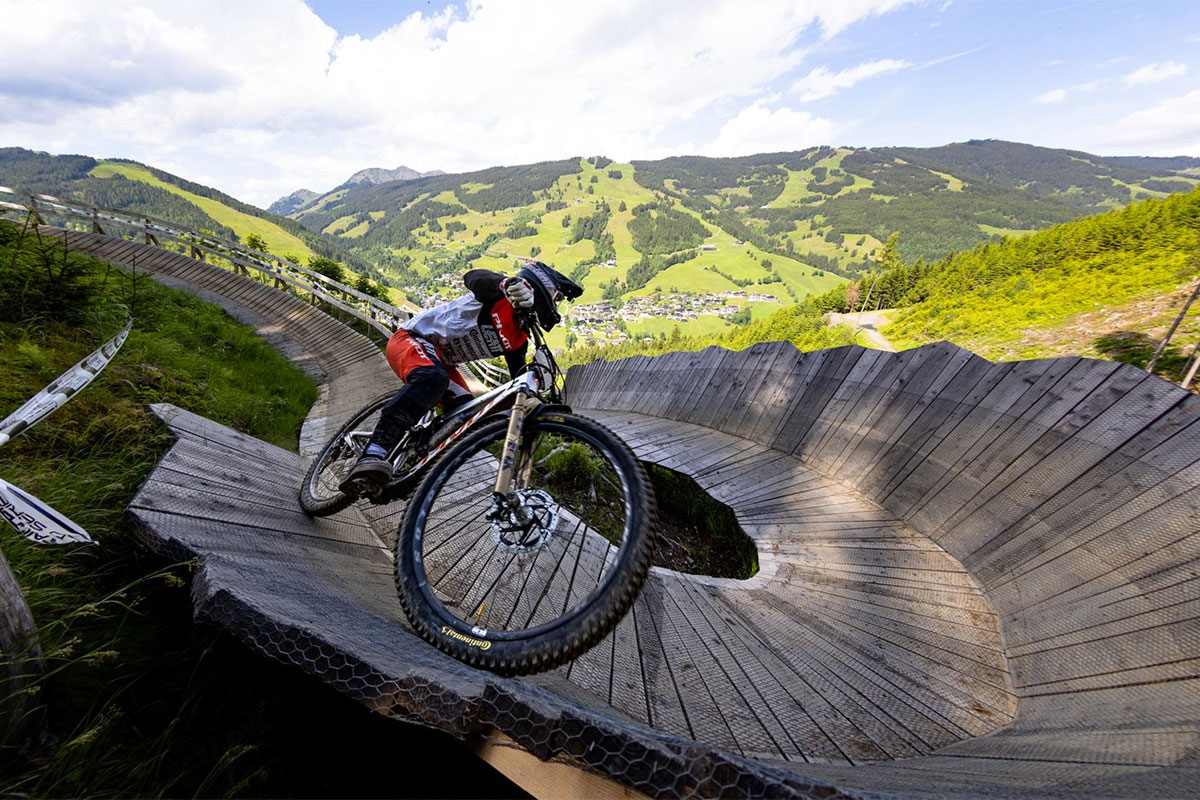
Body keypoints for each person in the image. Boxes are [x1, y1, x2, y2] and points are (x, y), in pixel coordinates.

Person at [340, 260, 582, 495]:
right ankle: (374, 451)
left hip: (443, 365)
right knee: (433, 379)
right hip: (412, 340)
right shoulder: (496, 296)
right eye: (557, 299)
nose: (557, 305)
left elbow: (515, 382)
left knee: (467, 415)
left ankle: (409, 465)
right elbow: (474, 277)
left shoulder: (518, 339)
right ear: (541, 289)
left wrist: (535, 398)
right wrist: (506, 284)